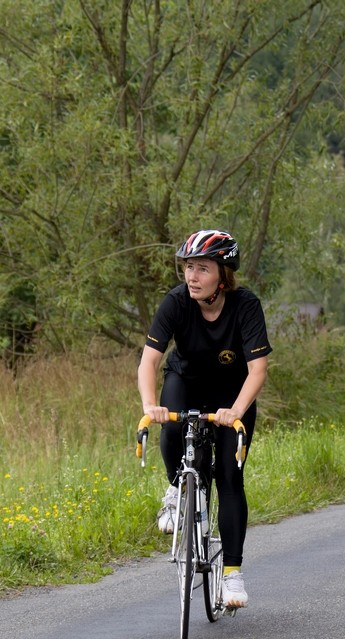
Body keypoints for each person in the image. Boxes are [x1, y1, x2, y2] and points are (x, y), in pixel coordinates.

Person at [138, 229, 272, 608]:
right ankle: (176, 489)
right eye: (188, 268)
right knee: (171, 426)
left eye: (202, 269)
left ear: (223, 276)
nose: (192, 277)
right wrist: (150, 405)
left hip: (232, 394)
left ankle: (232, 574)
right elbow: (149, 361)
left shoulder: (245, 306)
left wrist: (237, 410)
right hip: (187, 381)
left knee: (230, 476)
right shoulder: (176, 302)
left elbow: (258, 370)